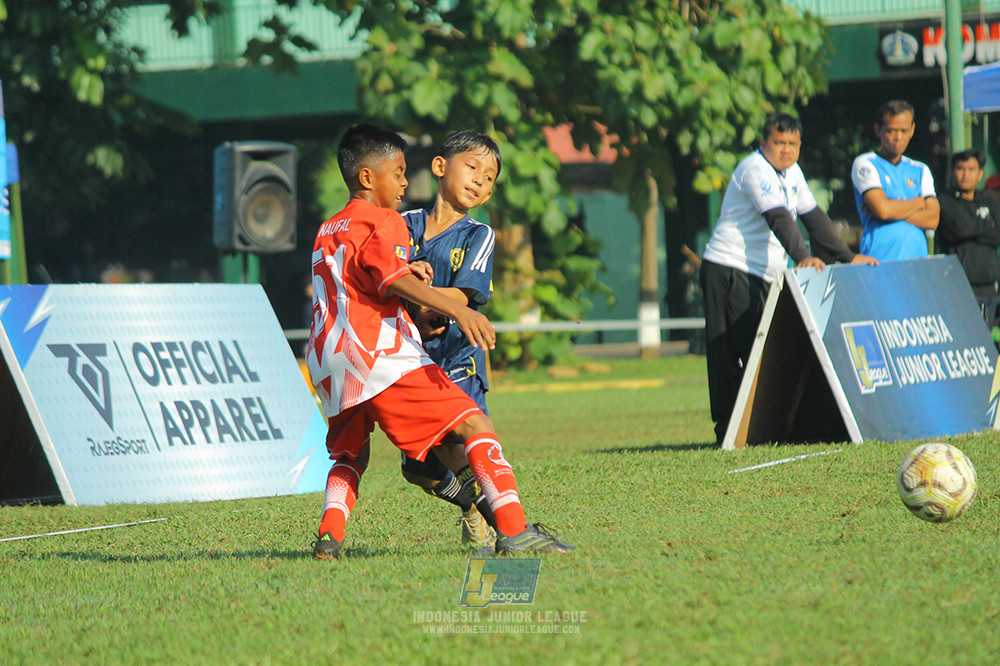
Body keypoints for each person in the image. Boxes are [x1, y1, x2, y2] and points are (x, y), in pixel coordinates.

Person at [305, 123, 573, 559]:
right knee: (475, 427)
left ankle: (328, 539)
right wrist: (459, 309)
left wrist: (408, 276)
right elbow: (390, 281)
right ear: (368, 177)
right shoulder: (388, 220)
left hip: (327, 359)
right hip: (378, 352)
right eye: (398, 172)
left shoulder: (327, 228)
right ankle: (515, 530)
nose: (404, 182)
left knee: (350, 456)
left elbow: (364, 278)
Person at [701, 113, 878, 446]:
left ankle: (766, 429)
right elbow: (779, 218)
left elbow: (814, 218)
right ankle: (727, 432)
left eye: (792, 144)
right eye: (779, 142)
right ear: (763, 143)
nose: (786, 150)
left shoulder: (792, 172)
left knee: (765, 352)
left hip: (765, 274)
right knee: (730, 353)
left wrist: (847, 256)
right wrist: (802, 256)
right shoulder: (755, 169)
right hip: (729, 268)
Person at [395, 130, 502, 550]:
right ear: (440, 166)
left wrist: (421, 298)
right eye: (472, 167)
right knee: (417, 468)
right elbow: (384, 278)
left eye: (489, 177)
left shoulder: (479, 235)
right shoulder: (402, 225)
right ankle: (471, 506)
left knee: (465, 440)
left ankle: (508, 526)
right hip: (410, 362)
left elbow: (463, 296)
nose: (480, 180)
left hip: (459, 358)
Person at [851, 100, 939, 261]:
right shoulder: (865, 163)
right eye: (891, 131)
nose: (898, 137)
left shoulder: (920, 169)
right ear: (878, 130)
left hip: (917, 262)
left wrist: (891, 210)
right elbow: (883, 210)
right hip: (879, 261)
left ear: (912, 130)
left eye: (904, 131)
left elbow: (933, 219)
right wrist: (919, 203)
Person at [937, 149, 1000, 326]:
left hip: (988, 288)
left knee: (985, 338)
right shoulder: (945, 201)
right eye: (960, 169)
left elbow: (997, 235)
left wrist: (972, 228)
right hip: (957, 286)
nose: (965, 174)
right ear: (952, 172)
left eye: (971, 169)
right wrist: (986, 225)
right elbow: (961, 228)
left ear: (980, 174)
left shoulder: (989, 202)